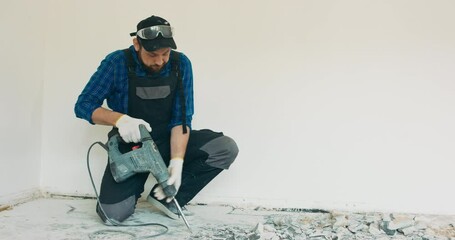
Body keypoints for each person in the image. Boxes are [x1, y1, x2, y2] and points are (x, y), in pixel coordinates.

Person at [74, 15, 239, 223]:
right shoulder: (116, 63)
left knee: (224, 148)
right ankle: (131, 192)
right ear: (137, 44)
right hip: (132, 150)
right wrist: (120, 120)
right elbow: (83, 105)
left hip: (167, 141)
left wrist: (177, 162)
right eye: (152, 54)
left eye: (165, 53)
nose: (160, 61)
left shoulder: (180, 64)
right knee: (112, 215)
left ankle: (168, 197)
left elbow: (182, 118)